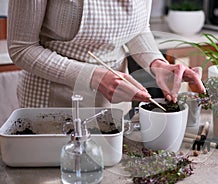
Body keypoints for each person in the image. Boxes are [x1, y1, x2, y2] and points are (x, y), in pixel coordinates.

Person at [7, 0, 205, 110]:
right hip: (50, 104)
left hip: (113, 106)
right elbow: (22, 48)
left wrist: (157, 63)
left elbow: (138, 28)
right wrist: (92, 76)